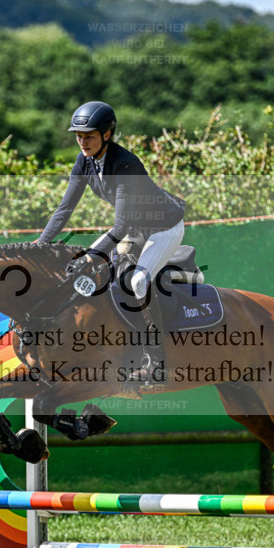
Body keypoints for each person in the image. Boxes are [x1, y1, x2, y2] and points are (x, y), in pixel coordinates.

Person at [36, 101, 186, 385]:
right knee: (87, 271)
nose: (82, 142)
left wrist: (93, 255)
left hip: (163, 228)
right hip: (134, 228)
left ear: (107, 134)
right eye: (78, 136)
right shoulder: (85, 160)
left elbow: (121, 226)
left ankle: (157, 361)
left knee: (138, 281)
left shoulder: (125, 164)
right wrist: (40, 245)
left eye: (89, 136)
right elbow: (64, 209)